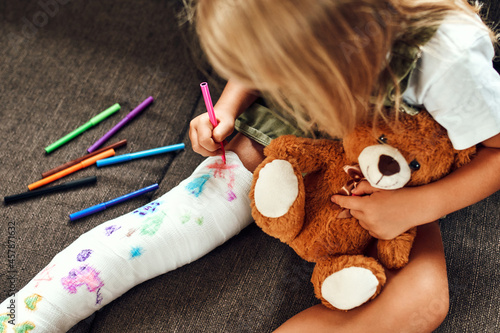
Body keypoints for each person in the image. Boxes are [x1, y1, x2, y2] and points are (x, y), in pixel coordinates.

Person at [1, 0, 499, 332]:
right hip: (310, 114)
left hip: (407, 159)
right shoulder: (299, 32)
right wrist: (230, 104)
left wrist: (413, 206)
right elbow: (265, 49)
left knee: (424, 301)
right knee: (165, 228)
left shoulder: (449, 58)